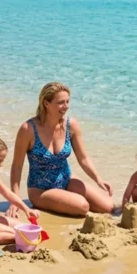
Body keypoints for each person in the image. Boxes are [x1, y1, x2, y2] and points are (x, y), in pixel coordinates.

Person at [10, 82, 114, 217]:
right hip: (40, 189)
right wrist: (15, 199)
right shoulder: (28, 129)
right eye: (60, 103)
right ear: (46, 103)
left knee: (108, 207)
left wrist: (98, 179)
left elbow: (83, 158)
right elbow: (17, 166)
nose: (66, 106)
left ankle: (67, 198)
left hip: (67, 179)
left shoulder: (71, 125)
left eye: (67, 102)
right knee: (83, 206)